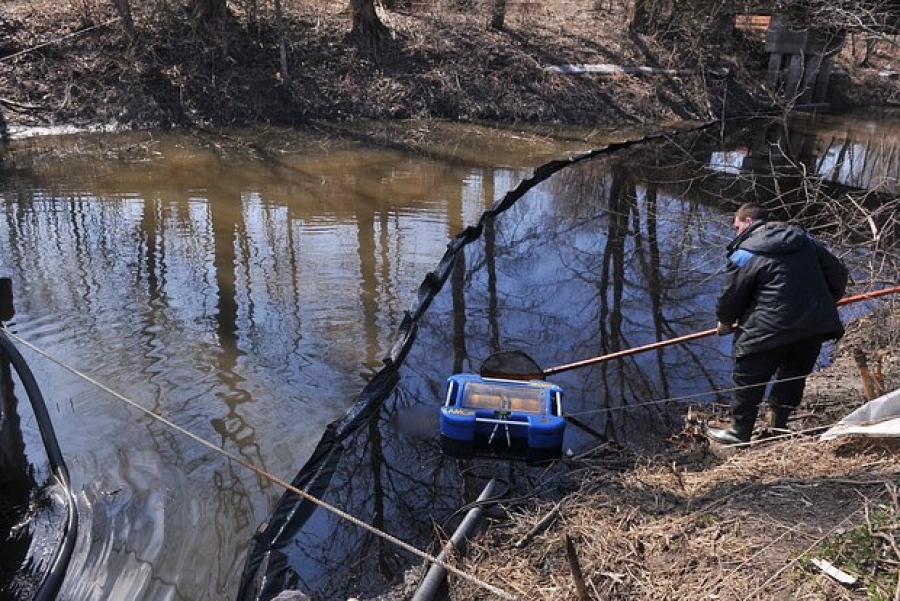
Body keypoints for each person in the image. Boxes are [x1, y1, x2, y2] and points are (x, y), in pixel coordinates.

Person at [707, 202, 849, 445]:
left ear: (748, 223)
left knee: (748, 377)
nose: (736, 232)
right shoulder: (806, 241)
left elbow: (732, 294)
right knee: (793, 376)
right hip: (812, 327)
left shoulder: (745, 253)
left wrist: (725, 320)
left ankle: (739, 432)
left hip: (766, 330)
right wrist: (825, 303)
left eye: (737, 226)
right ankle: (777, 425)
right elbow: (839, 273)